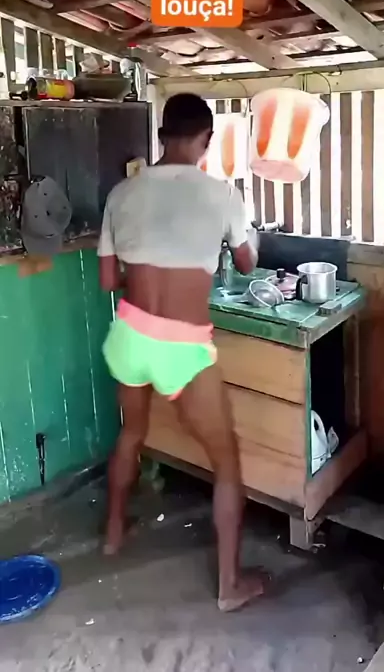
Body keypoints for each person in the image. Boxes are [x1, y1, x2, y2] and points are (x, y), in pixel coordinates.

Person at [97, 92, 264, 612]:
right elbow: (248, 264)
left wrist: (148, 270)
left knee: (131, 433)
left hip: (130, 334)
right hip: (181, 347)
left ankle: (113, 534)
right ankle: (230, 586)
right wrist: (241, 238)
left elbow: (108, 279)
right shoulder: (222, 194)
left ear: (162, 135)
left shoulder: (122, 193)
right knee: (226, 460)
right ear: (206, 140)